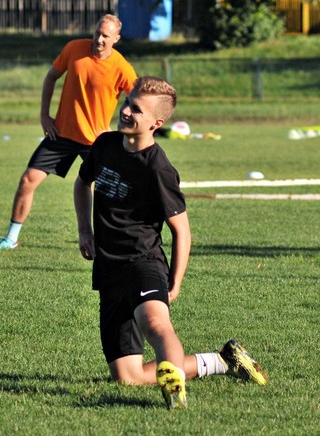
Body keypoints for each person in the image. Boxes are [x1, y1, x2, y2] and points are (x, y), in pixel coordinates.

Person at [73, 76, 267, 410]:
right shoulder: (104, 145)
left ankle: (176, 398)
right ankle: (223, 360)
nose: (126, 111)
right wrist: (84, 230)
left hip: (143, 264)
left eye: (137, 109)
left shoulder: (158, 168)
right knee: (127, 377)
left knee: (156, 325)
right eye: (128, 103)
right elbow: (81, 183)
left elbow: (182, 230)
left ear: (156, 123)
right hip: (108, 270)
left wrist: (175, 280)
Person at [0, 14, 137, 250]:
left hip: (95, 141)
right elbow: (51, 78)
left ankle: (111, 241)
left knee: (109, 192)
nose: (99, 39)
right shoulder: (73, 49)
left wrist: (121, 128)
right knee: (28, 180)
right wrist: (44, 116)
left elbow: (138, 101)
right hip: (61, 134)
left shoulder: (122, 68)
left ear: (116, 39)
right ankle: (10, 239)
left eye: (105, 36)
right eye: (97, 33)